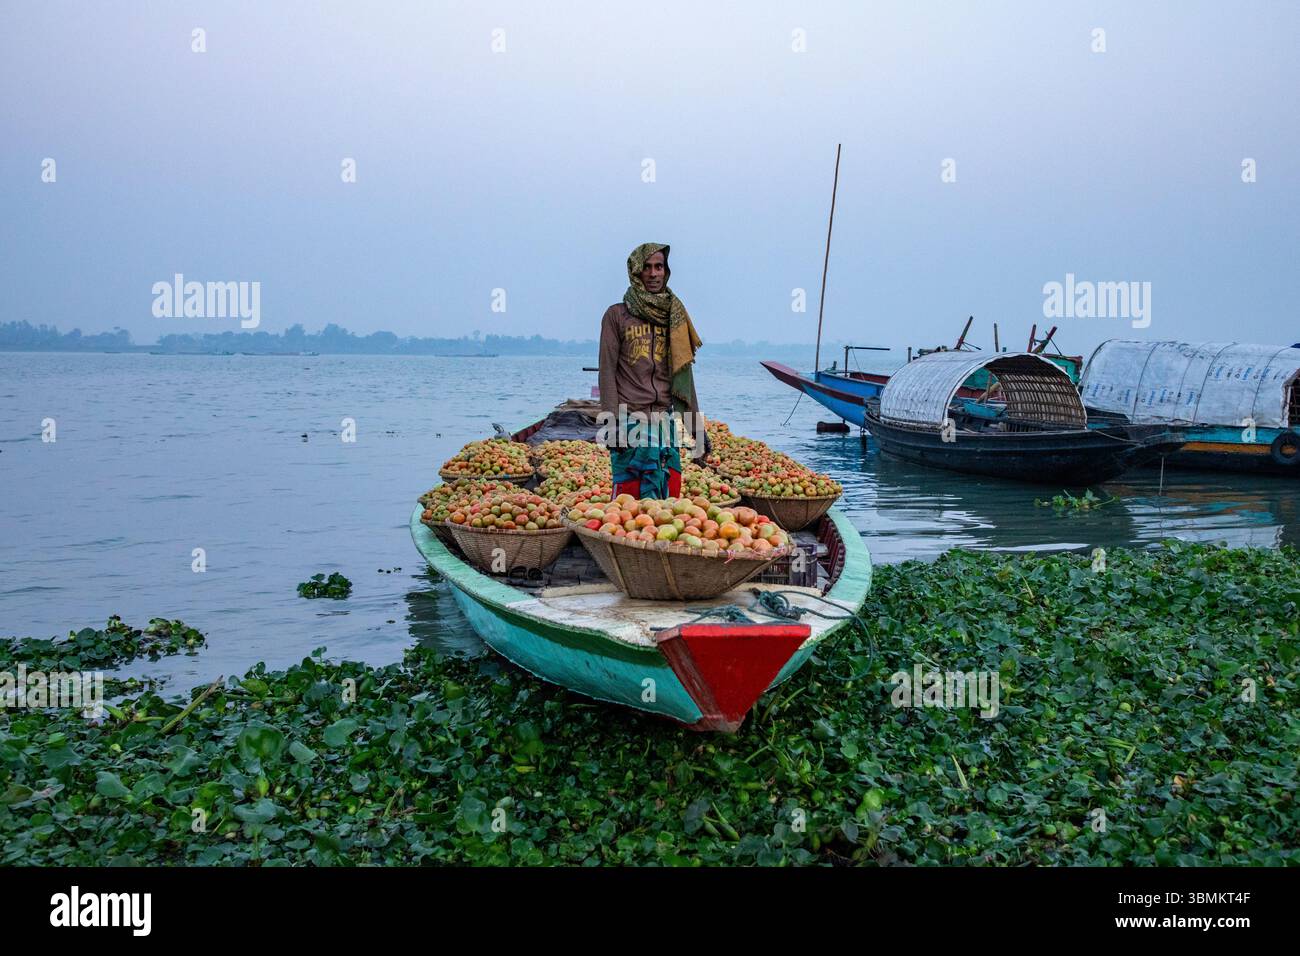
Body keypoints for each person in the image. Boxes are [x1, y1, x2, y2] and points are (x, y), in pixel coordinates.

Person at [597, 243, 710, 499]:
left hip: (665, 421)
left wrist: (698, 431)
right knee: (629, 505)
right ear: (636, 272)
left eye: (658, 266)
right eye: (646, 267)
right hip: (629, 421)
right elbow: (606, 374)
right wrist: (611, 425)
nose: (653, 273)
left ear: (666, 271)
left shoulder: (675, 315)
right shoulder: (616, 316)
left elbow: (684, 378)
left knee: (671, 498)